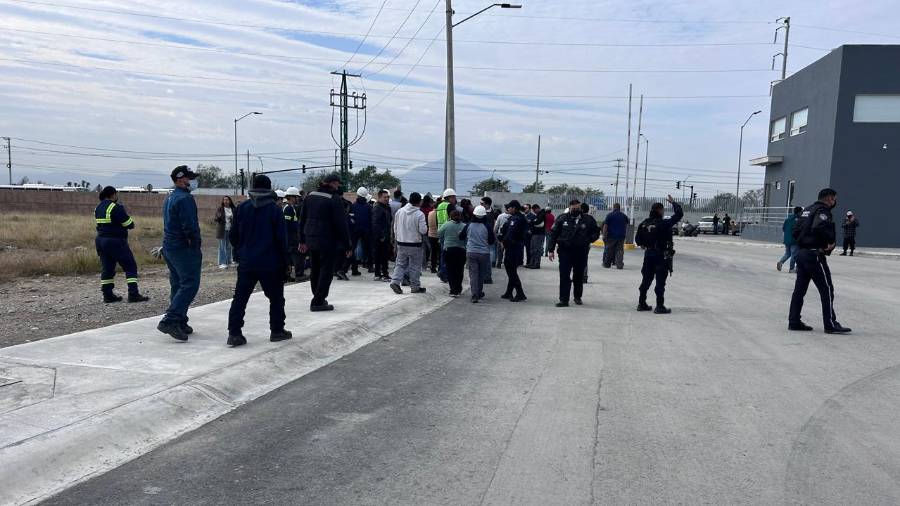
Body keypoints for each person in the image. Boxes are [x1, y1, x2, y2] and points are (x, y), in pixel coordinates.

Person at [227, 175, 293, 346]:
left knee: (240, 298)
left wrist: (240, 251)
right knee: (276, 298)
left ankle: (234, 333)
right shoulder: (274, 209)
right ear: (269, 189)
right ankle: (277, 330)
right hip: (270, 263)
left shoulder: (242, 208)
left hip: (247, 262)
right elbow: (281, 239)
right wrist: (286, 262)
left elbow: (233, 235)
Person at [789, 188, 852, 334]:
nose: (835, 202)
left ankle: (794, 321)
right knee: (827, 289)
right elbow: (820, 225)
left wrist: (802, 241)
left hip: (801, 253)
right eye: (834, 199)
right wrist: (830, 241)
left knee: (799, 290)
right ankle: (830, 324)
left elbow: (795, 230)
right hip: (814, 254)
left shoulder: (807, 210)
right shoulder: (822, 210)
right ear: (829, 198)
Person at [158, 166, 202, 341]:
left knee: (177, 284)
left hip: (170, 246)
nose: (192, 181)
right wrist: (195, 245)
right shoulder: (185, 199)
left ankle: (180, 320)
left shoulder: (170, 198)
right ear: (181, 179)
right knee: (190, 284)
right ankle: (170, 320)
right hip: (184, 248)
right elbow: (190, 226)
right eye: (190, 178)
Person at [299, 173, 352, 312]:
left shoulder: (310, 196)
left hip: (311, 239)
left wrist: (302, 240)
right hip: (327, 240)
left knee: (315, 269)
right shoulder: (334, 199)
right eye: (337, 184)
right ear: (332, 183)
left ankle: (318, 296)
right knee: (326, 271)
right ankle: (318, 301)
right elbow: (341, 224)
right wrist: (347, 245)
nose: (338, 187)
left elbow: (302, 219)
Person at [94, 186, 149, 304]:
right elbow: (129, 224)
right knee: (130, 266)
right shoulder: (116, 207)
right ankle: (133, 294)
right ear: (113, 195)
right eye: (116, 194)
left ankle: (107, 295)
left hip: (100, 241)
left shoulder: (98, 208)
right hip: (115, 241)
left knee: (107, 268)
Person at [634, 195, 683, 314]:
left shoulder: (644, 223)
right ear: (659, 210)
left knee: (646, 279)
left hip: (649, 254)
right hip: (661, 255)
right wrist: (673, 203)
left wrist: (645, 244)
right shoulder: (663, 223)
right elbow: (679, 214)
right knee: (660, 281)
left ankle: (641, 303)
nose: (663, 212)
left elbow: (638, 240)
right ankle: (659, 306)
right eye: (662, 210)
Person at [548, 199, 600, 307]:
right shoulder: (562, 218)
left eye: (577, 208)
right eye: (573, 208)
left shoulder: (588, 219)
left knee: (578, 275)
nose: (575, 210)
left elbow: (596, 232)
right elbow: (553, 234)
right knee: (564, 275)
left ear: (580, 208)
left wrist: (588, 240)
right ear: (569, 208)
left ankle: (577, 297)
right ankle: (563, 300)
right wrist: (550, 250)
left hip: (581, 252)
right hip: (565, 252)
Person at [389, 192, 429, 295]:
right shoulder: (419, 214)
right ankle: (415, 286)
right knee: (415, 266)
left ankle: (395, 281)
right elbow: (423, 230)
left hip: (401, 243)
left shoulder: (400, 211)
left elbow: (395, 227)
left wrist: (396, 241)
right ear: (419, 201)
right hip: (415, 244)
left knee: (400, 264)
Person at [461, 205, 495, 303]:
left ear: (474, 214)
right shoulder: (487, 226)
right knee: (481, 274)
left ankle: (474, 295)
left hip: (471, 252)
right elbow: (491, 241)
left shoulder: (468, 225)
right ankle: (479, 292)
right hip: (484, 253)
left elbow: (461, 236)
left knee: (473, 274)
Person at [500, 201, 528, 302]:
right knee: (511, 270)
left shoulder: (516, 219)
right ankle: (509, 292)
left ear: (514, 208)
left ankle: (520, 293)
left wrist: (503, 242)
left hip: (513, 247)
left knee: (511, 271)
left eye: (510, 208)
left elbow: (510, 234)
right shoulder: (517, 217)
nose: (508, 209)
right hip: (516, 247)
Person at [439, 210, 468, 297]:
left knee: (450, 270)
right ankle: (458, 288)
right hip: (461, 250)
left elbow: (439, 234)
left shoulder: (446, 224)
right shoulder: (464, 226)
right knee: (459, 270)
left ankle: (453, 290)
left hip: (449, 250)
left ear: (450, 216)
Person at [283, 187, 307, 282]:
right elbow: (287, 223)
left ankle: (293, 274)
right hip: (291, 237)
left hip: (292, 236)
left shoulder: (291, 208)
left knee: (294, 256)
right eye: (296, 197)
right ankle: (299, 274)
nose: (298, 199)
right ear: (292, 197)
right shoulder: (288, 208)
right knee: (297, 255)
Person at [349, 187, 373, 276]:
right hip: (366, 231)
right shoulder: (369, 207)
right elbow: (371, 220)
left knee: (352, 249)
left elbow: (350, 219)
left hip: (355, 231)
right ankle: (370, 266)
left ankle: (354, 268)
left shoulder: (352, 206)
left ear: (357, 195)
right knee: (368, 249)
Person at [436, 188, 458, 282]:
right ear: (449, 197)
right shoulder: (450, 206)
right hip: (449, 234)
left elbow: (437, 220)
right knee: (448, 256)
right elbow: (454, 220)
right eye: (453, 197)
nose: (454, 199)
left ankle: (441, 271)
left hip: (441, 232)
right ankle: (444, 273)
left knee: (442, 254)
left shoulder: (439, 206)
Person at [371, 189, 393, 282]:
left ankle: (383, 273)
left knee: (384, 255)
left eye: (388, 197)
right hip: (379, 237)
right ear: (379, 197)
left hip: (386, 235)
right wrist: (380, 236)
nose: (386, 199)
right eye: (384, 197)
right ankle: (379, 274)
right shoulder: (377, 208)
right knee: (379, 255)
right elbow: (375, 223)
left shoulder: (387, 207)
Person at [602, 203, 628, 269]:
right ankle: (619, 265)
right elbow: (626, 225)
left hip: (611, 236)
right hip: (621, 236)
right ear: (619, 208)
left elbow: (605, 226)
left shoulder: (609, 215)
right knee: (620, 250)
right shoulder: (624, 216)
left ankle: (607, 264)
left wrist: (604, 235)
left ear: (613, 208)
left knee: (609, 250)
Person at [778, 206, 802, 272]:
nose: (802, 213)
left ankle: (781, 262)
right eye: (801, 212)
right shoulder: (798, 220)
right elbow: (799, 230)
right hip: (794, 240)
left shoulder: (787, 219)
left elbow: (783, 228)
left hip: (786, 240)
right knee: (794, 255)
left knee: (787, 254)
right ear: (799, 212)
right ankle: (791, 269)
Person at [214, 196, 236, 269]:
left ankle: (229, 261)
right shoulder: (220, 209)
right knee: (222, 246)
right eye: (224, 200)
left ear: (230, 201)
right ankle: (222, 262)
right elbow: (216, 218)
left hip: (231, 230)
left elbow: (237, 219)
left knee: (230, 246)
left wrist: (232, 219)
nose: (226, 201)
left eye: (227, 200)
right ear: (223, 201)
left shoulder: (233, 209)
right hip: (222, 230)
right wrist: (219, 216)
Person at [527, 204, 546, 269]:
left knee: (536, 250)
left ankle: (536, 264)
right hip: (535, 234)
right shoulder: (539, 214)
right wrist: (533, 222)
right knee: (532, 249)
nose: (534, 212)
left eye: (534, 210)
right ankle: (532, 263)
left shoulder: (542, 214)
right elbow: (535, 222)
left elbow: (538, 222)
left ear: (537, 208)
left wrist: (531, 222)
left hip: (539, 234)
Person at [426, 199, 441, 273]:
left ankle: (433, 267)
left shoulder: (430, 213)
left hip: (430, 234)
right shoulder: (438, 214)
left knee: (433, 252)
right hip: (437, 235)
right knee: (439, 252)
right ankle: (438, 267)